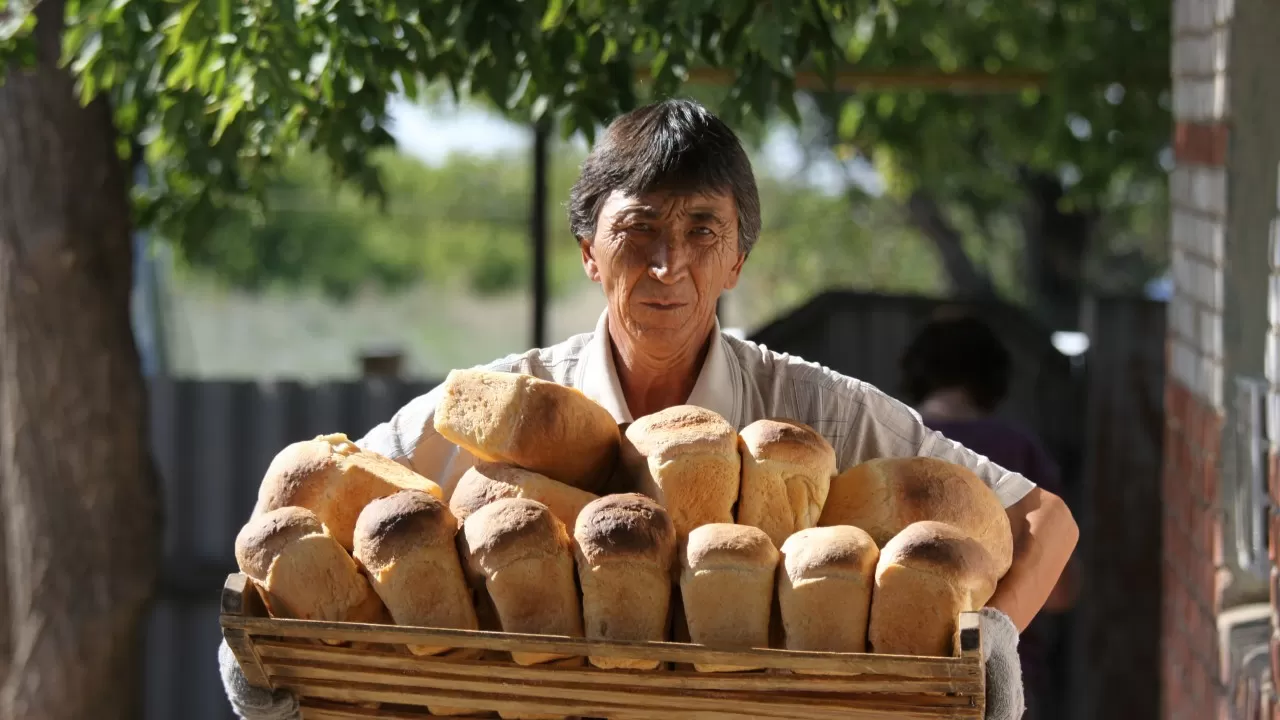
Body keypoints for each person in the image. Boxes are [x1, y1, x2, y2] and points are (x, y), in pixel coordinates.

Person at [219, 98, 1078, 720]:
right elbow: (303, 505)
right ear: (590, 251)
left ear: (739, 259)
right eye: (639, 231)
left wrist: (992, 639)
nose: (670, 264)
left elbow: (1045, 520)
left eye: (704, 231)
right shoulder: (489, 411)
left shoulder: (810, 412)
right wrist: (260, 638)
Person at [900, 313, 1080, 720]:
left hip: (902, 680)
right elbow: (1061, 591)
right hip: (1002, 682)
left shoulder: (885, 444)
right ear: (993, 377)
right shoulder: (1018, 452)